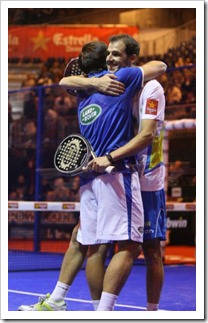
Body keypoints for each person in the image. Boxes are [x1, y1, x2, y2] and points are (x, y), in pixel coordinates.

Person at [18, 35, 167, 311]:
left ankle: (64, 302)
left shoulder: (83, 95)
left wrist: (91, 81)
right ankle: (103, 312)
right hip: (117, 172)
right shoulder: (120, 79)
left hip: (92, 178)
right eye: (108, 54)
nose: (111, 58)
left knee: (92, 244)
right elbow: (160, 65)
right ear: (104, 62)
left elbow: (65, 82)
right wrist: (98, 80)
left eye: (116, 54)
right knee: (131, 247)